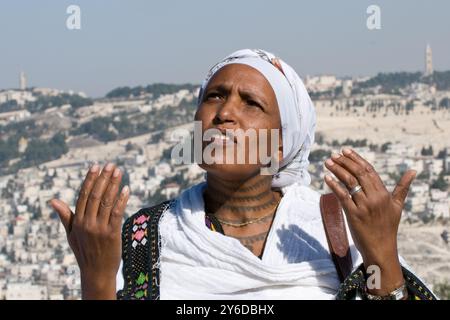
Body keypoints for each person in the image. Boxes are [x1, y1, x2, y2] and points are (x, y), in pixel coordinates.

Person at [50, 49, 437, 300]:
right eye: (214, 96)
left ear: (282, 145)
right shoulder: (144, 238)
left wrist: (382, 255)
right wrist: (98, 279)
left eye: (250, 102)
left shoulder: (337, 230)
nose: (224, 114)